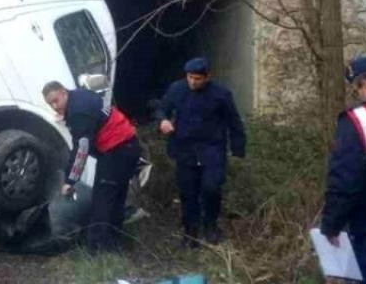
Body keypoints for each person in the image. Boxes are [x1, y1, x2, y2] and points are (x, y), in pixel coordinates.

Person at [155, 56, 246, 245]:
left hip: (212, 149)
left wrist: (238, 149)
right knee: (188, 192)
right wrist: (163, 120)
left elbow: (234, 122)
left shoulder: (221, 94)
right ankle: (190, 231)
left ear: (207, 77)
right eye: (190, 77)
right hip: (185, 149)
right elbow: (161, 108)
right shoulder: (177, 89)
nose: (193, 82)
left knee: (211, 188)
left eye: (197, 78)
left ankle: (211, 225)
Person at [42, 81, 141, 253]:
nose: (54, 106)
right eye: (50, 104)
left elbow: (82, 149)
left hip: (117, 151)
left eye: (56, 100)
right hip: (128, 147)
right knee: (115, 198)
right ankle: (113, 244)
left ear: (64, 92)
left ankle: (98, 250)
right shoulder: (81, 95)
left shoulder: (78, 113)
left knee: (102, 201)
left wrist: (70, 180)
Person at [321, 55, 366, 283]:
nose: (359, 95)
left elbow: (345, 181)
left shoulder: (359, 120)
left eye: (358, 88)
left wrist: (331, 225)